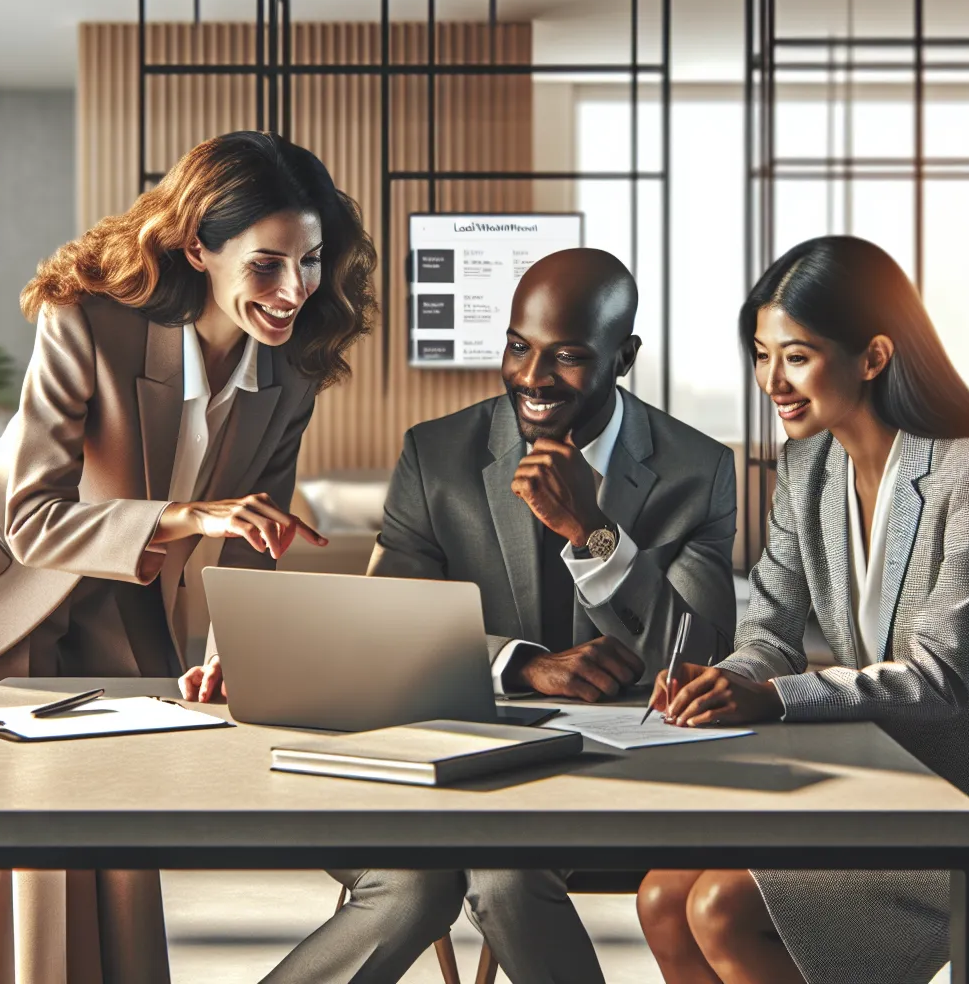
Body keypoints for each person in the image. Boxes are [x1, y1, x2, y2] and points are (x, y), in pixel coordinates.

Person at [0, 130, 377, 984]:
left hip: (121, 588)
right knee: (27, 847)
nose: (293, 289)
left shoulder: (289, 373)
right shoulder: (86, 322)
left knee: (120, 840)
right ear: (200, 246)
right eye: (266, 265)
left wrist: (237, 651)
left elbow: (253, 535)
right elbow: (34, 521)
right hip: (7, 581)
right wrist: (188, 515)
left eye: (309, 261)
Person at [232, 246, 739, 984]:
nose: (532, 378)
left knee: (499, 872)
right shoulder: (437, 455)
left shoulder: (698, 469)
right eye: (518, 347)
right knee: (438, 876)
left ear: (622, 357)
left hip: (615, 776)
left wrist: (594, 534)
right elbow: (386, 625)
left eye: (565, 356)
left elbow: (699, 654)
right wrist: (522, 662)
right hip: (443, 755)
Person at [634, 236, 969, 984]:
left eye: (796, 356)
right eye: (761, 355)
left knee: (721, 906)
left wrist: (769, 697)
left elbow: (939, 679)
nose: (772, 382)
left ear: (874, 356)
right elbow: (769, 635)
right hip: (881, 787)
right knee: (662, 896)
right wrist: (721, 679)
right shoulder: (803, 468)